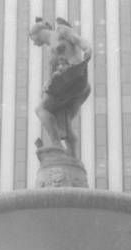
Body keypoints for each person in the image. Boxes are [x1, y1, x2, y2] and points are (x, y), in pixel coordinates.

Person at [29, 17, 92, 157]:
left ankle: (56, 143)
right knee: (63, 118)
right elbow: (51, 77)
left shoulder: (60, 31)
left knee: (41, 109)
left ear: (37, 32)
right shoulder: (51, 52)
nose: (34, 43)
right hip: (75, 85)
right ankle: (73, 157)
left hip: (73, 76)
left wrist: (87, 48)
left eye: (32, 39)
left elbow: (78, 39)